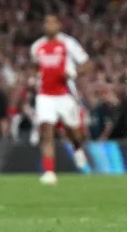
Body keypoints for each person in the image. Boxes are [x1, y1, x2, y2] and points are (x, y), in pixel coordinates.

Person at [31, 14, 92, 185]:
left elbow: (87, 64)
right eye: (46, 22)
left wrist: (73, 73)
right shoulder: (36, 46)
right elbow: (35, 66)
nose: (49, 25)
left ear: (58, 25)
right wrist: (36, 79)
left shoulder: (68, 43)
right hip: (44, 95)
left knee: (73, 130)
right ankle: (49, 172)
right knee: (46, 131)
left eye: (52, 22)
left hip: (65, 94)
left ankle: (77, 147)